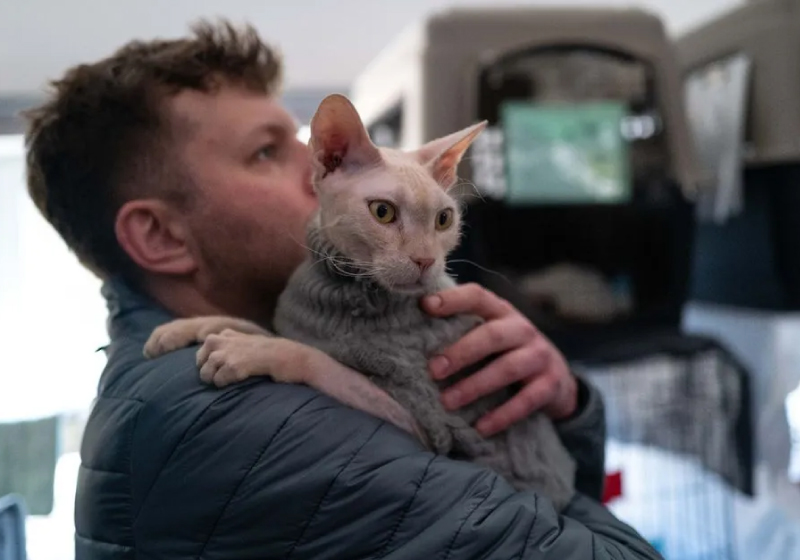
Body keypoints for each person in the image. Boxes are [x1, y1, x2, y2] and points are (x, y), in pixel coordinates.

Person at [25, 20, 661, 559]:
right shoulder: (234, 426)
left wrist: (560, 405)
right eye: (267, 154)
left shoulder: (228, 356)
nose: (315, 174)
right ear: (161, 236)